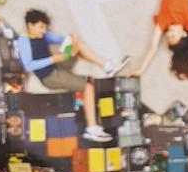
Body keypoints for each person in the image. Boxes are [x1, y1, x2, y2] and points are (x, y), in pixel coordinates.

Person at [16, 9, 127, 144]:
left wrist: (71, 38)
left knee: (76, 44)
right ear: (30, 25)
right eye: (41, 27)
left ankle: (107, 66)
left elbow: (61, 39)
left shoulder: (43, 34)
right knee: (88, 87)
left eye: (45, 27)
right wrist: (54, 59)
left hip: (58, 64)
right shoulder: (23, 40)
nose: (44, 30)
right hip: (50, 76)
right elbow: (28, 66)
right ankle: (91, 129)